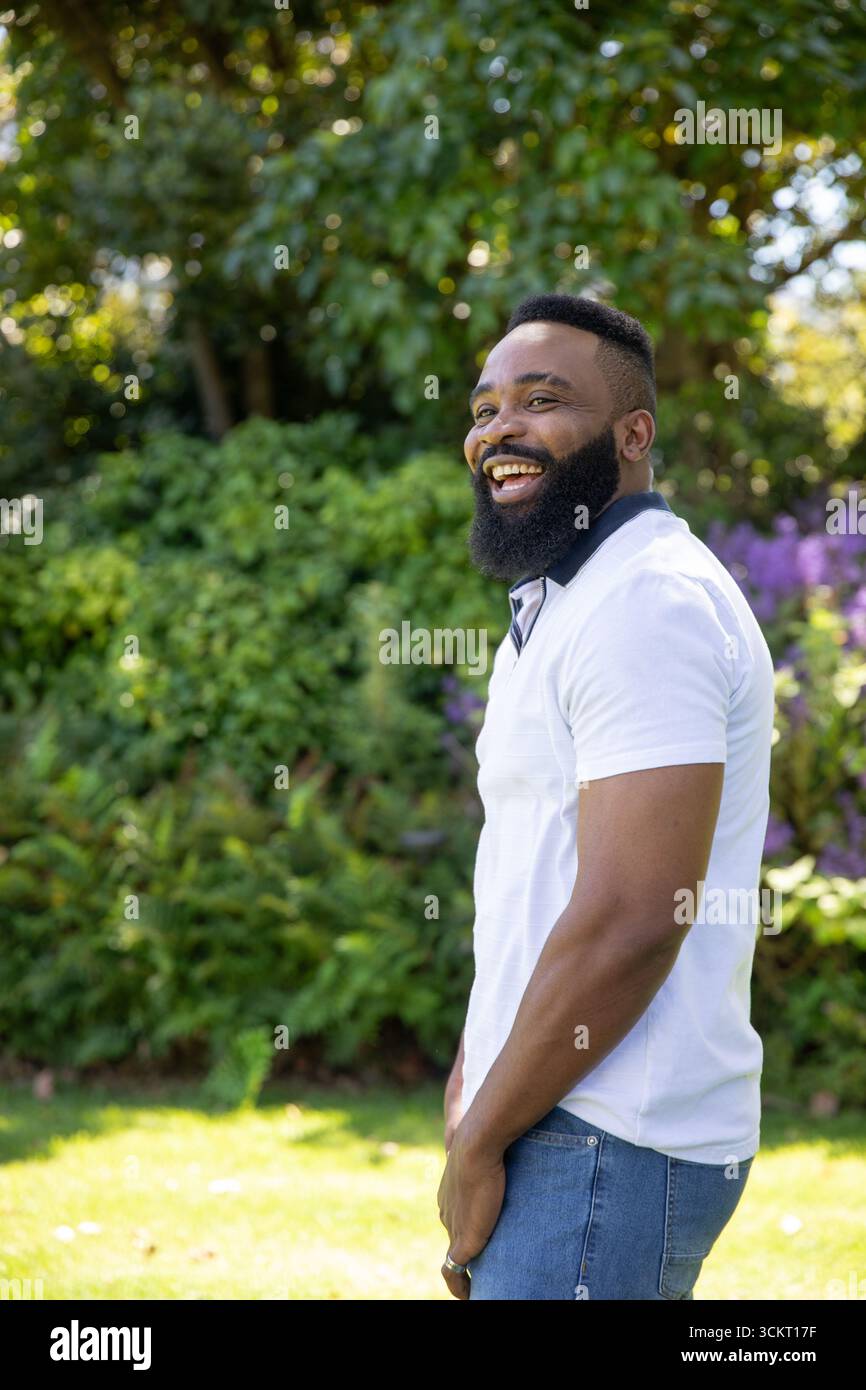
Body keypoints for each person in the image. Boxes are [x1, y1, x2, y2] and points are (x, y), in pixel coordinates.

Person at [437, 293, 774, 1301]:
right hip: (558, 1116)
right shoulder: (562, 601)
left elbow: (634, 916)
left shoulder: (646, 602)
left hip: (606, 1136)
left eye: (539, 401)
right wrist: (473, 1073)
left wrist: (477, 1145)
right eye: (485, 405)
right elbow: (536, 875)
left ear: (632, 434)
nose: (499, 427)